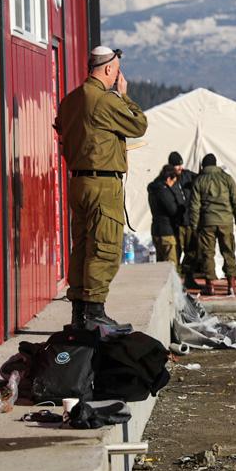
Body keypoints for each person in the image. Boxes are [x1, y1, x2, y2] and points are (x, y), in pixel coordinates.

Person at [54, 45, 147, 329]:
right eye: (116, 70)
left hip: (78, 181)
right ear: (109, 69)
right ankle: (94, 313)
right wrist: (124, 95)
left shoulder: (69, 101)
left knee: (81, 247)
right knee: (103, 247)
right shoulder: (103, 100)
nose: (117, 76)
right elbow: (139, 125)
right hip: (103, 184)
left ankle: (80, 312)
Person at [190, 153, 236, 296]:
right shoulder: (227, 178)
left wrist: (194, 225)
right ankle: (231, 285)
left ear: (203, 165)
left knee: (208, 253)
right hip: (226, 221)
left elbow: (195, 206)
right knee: (228, 252)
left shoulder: (199, 180)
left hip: (207, 221)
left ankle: (210, 286)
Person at [168, 151, 199, 280]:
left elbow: (201, 178)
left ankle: (189, 277)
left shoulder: (188, 175)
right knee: (176, 251)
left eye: (181, 164)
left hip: (189, 220)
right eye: (177, 165)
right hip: (177, 222)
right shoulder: (168, 179)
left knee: (191, 250)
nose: (180, 167)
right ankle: (177, 277)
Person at [147, 164, 185, 269]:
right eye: (173, 181)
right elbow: (172, 210)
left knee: (161, 265)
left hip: (156, 230)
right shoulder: (163, 191)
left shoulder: (153, 188)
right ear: (168, 179)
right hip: (167, 231)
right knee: (171, 266)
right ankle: (172, 286)